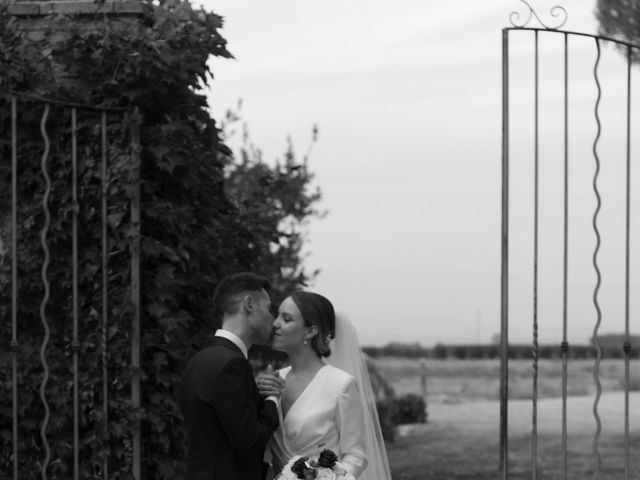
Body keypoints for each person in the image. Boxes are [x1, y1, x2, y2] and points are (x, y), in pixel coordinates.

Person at [258, 291, 391, 479]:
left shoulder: (341, 385)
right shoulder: (274, 379)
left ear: (311, 331)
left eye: (286, 319)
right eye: (277, 315)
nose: (275, 323)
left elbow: (355, 456)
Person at [180, 272, 284, 480]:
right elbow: (251, 443)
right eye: (269, 308)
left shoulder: (200, 359)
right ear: (249, 304)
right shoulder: (233, 365)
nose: (273, 319)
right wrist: (273, 399)